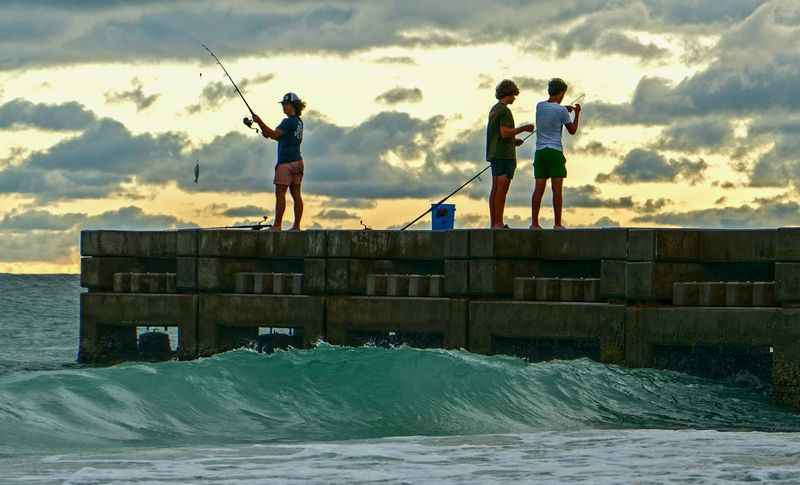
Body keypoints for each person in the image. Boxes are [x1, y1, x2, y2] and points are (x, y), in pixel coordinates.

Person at [250, 92, 306, 231]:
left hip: (285, 163)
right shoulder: (299, 122)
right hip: (298, 162)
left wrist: (259, 121)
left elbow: (274, 134)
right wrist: (266, 131)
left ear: (292, 105)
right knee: (296, 195)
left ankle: (277, 225)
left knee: (280, 194)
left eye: (285, 104)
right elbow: (277, 136)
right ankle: (296, 226)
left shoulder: (287, 122)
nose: (283, 107)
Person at [530, 78, 581, 230]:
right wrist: (576, 114)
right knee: (556, 189)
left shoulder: (539, 106)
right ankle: (557, 224)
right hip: (554, 151)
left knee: (538, 188)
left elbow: (551, 109)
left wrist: (564, 109)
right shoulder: (562, 111)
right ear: (561, 93)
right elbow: (572, 130)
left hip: (540, 152)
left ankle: (534, 223)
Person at [486, 80, 535, 229]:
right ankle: (499, 223)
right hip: (504, 156)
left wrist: (514, 141)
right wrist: (524, 128)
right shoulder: (504, 111)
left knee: (495, 190)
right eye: (514, 95)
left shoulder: (494, 109)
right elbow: (504, 132)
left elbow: (498, 134)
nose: (514, 98)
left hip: (495, 153)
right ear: (508, 93)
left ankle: (494, 223)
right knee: (502, 189)